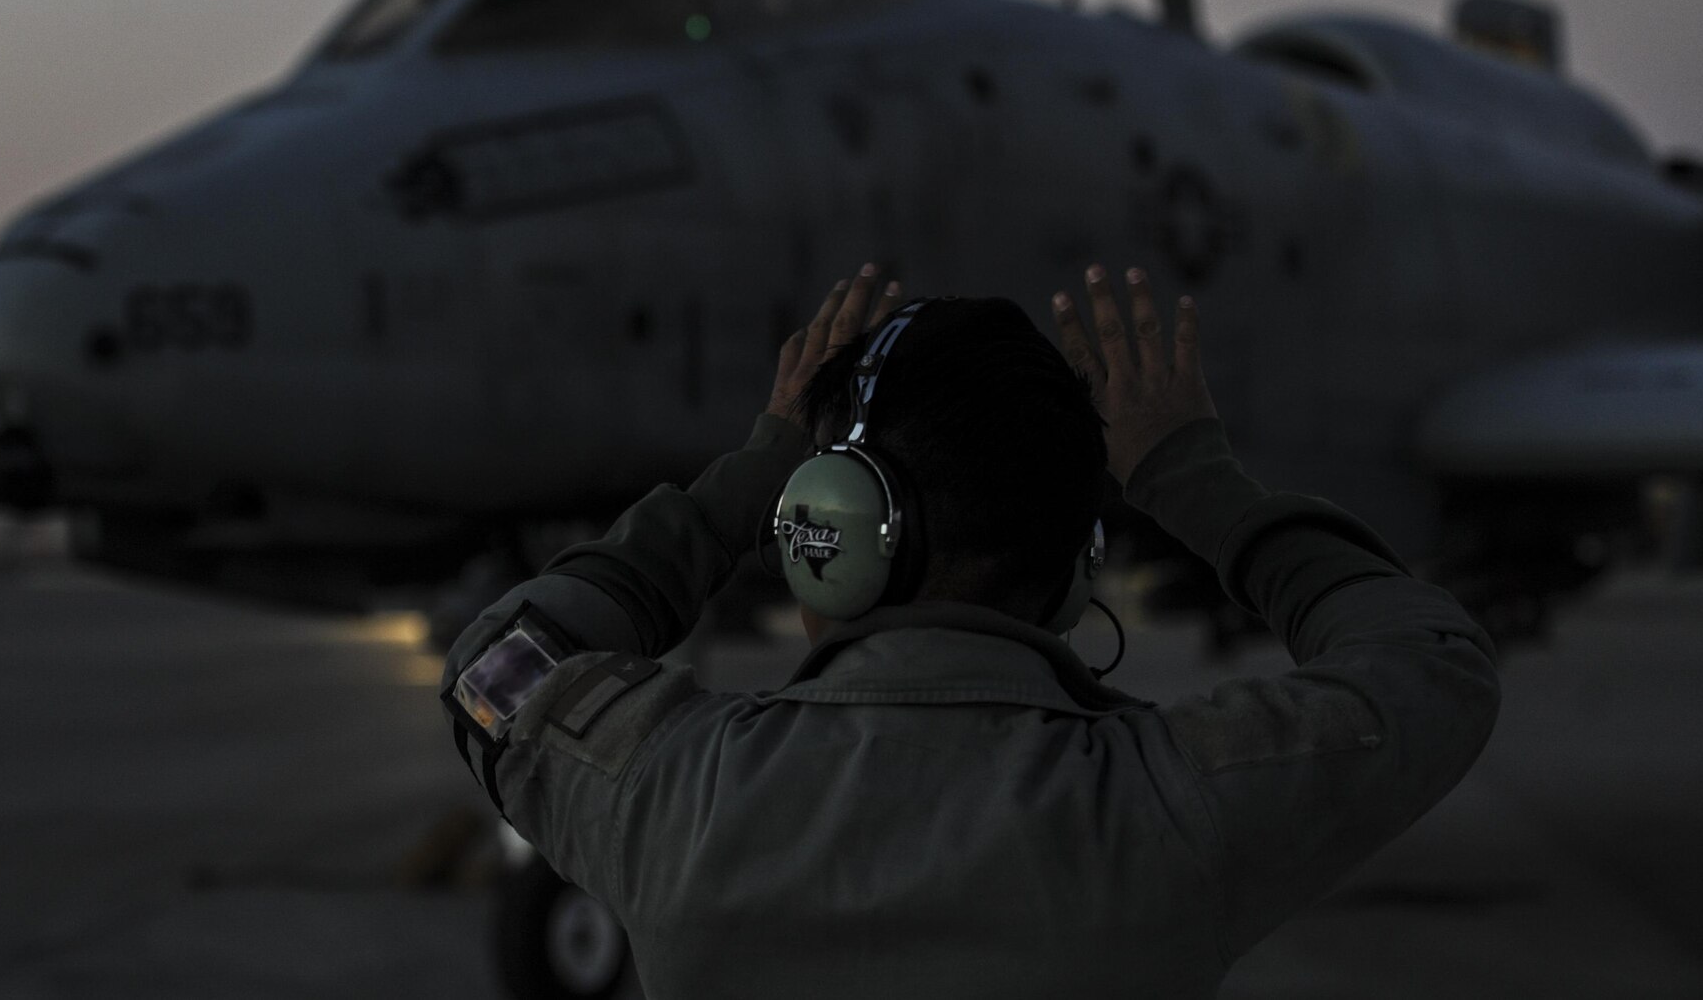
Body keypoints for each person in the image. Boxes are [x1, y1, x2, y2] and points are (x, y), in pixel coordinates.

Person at [441, 263, 1501, 998]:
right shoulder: (1170, 806)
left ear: (827, 537)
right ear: (1076, 566)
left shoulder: (673, 793)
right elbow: (1429, 663)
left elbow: (494, 667)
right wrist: (1194, 482)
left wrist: (740, 489)